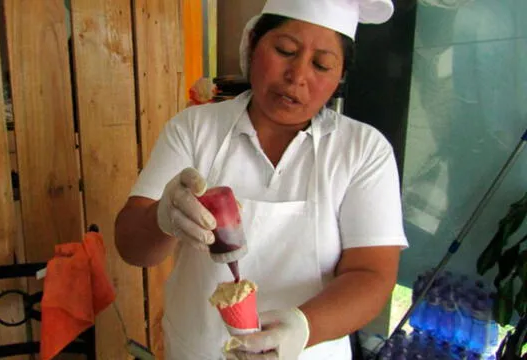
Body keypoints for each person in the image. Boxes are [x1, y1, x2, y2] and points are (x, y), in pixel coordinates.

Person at [115, 0, 409, 358]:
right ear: (253, 43)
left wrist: (302, 327)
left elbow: (371, 274)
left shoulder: (363, 151)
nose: (297, 76)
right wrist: (163, 217)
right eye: (285, 50)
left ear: (340, 76)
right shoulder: (195, 129)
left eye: (321, 64)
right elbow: (132, 248)